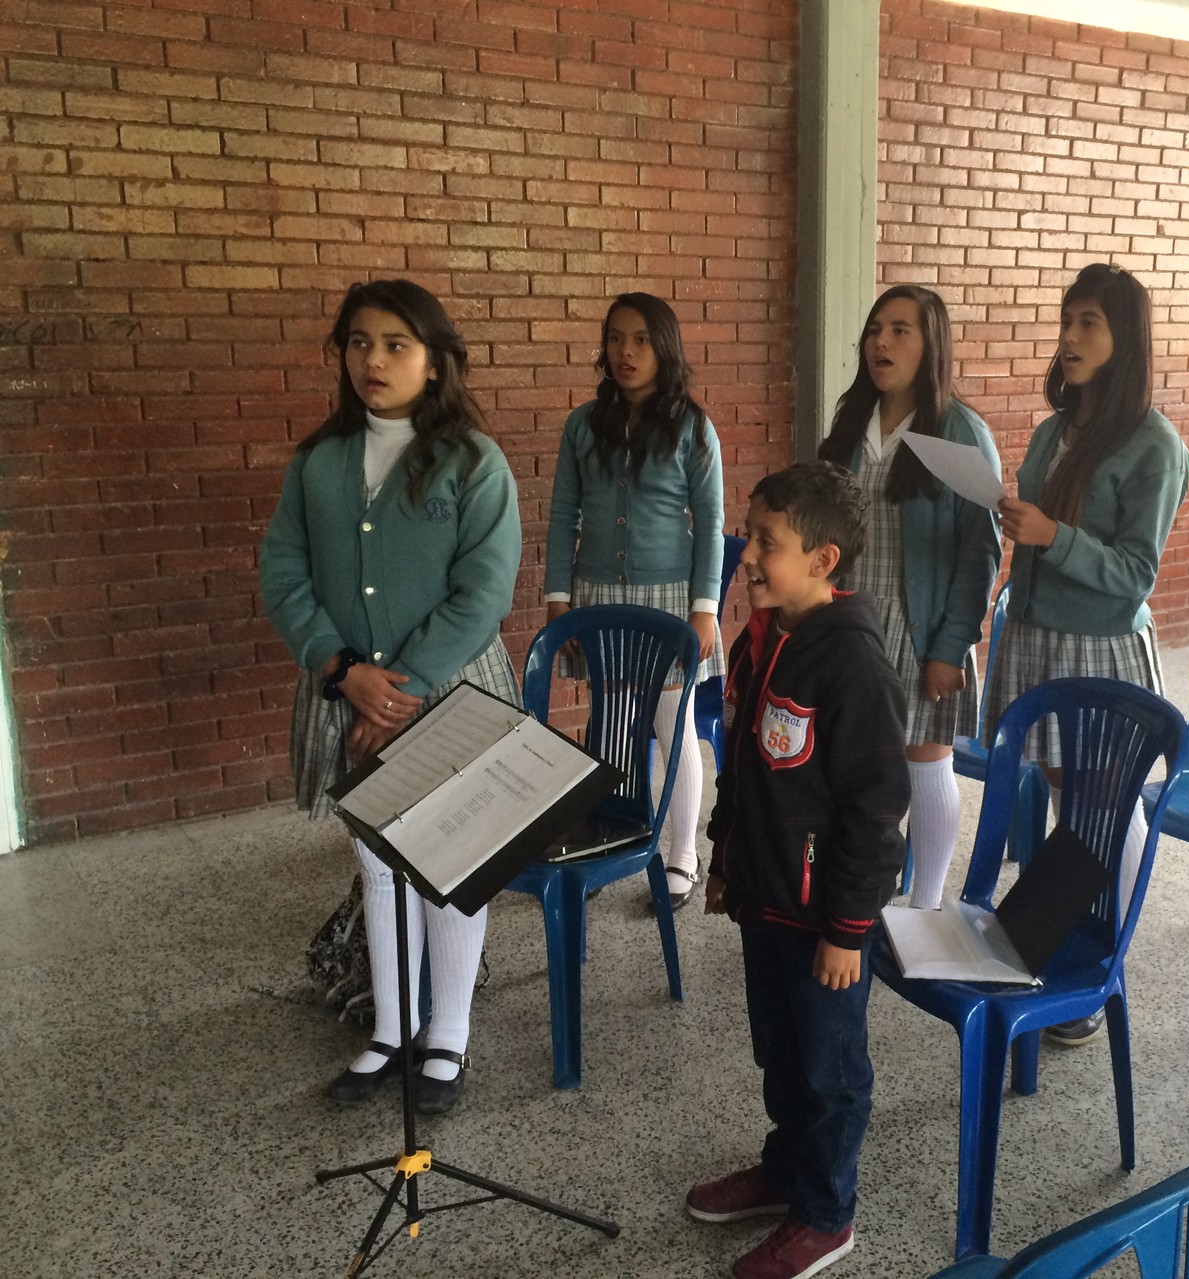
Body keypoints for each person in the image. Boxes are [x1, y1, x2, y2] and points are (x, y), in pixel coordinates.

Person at [259, 279, 523, 1115]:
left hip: (449, 694)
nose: (374, 359)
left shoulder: (475, 462)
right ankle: (391, 1027)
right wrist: (343, 673)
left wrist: (393, 691)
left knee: (453, 866)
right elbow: (284, 571)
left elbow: (483, 592)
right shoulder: (320, 461)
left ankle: (447, 1035)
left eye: (397, 344)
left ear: (436, 360)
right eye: (359, 342)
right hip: (346, 690)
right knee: (378, 864)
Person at [687, 462, 909, 1279]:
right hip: (766, 898)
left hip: (826, 922)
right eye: (748, 536)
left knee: (829, 1070)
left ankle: (825, 1211)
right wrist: (725, 855)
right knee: (779, 1051)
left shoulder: (852, 665)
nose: (746, 554)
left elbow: (877, 811)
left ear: (823, 558)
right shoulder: (765, 637)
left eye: (766, 543)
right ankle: (785, 1170)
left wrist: (850, 930)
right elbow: (742, 764)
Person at [986, 262, 1189, 1044]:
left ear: (1125, 339)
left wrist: (1051, 535)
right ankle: (1060, 947)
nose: (1069, 339)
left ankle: (1102, 966)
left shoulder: (1154, 445)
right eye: (1067, 321)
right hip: (1039, 632)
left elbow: (1136, 572)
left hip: (1100, 646)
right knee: (1074, 800)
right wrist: (1021, 526)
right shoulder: (1053, 429)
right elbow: (1050, 532)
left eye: (1089, 325)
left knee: (1105, 807)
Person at [817, 285, 1000, 911]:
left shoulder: (958, 432)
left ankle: (923, 904)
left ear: (932, 346)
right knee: (853, 762)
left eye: (901, 331)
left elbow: (981, 552)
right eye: (875, 329)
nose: (882, 342)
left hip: (922, 630)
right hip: (850, 625)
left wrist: (951, 647)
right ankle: (859, 886)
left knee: (925, 762)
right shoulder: (849, 426)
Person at [544, 292, 725, 910]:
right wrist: (558, 598)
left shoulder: (694, 428)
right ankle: (609, 834)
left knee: (673, 726)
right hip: (596, 595)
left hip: (670, 599)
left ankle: (681, 854)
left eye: (641, 339)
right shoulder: (581, 425)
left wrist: (704, 607)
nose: (625, 351)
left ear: (665, 347)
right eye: (616, 338)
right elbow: (563, 511)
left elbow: (711, 517)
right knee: (613, 722)